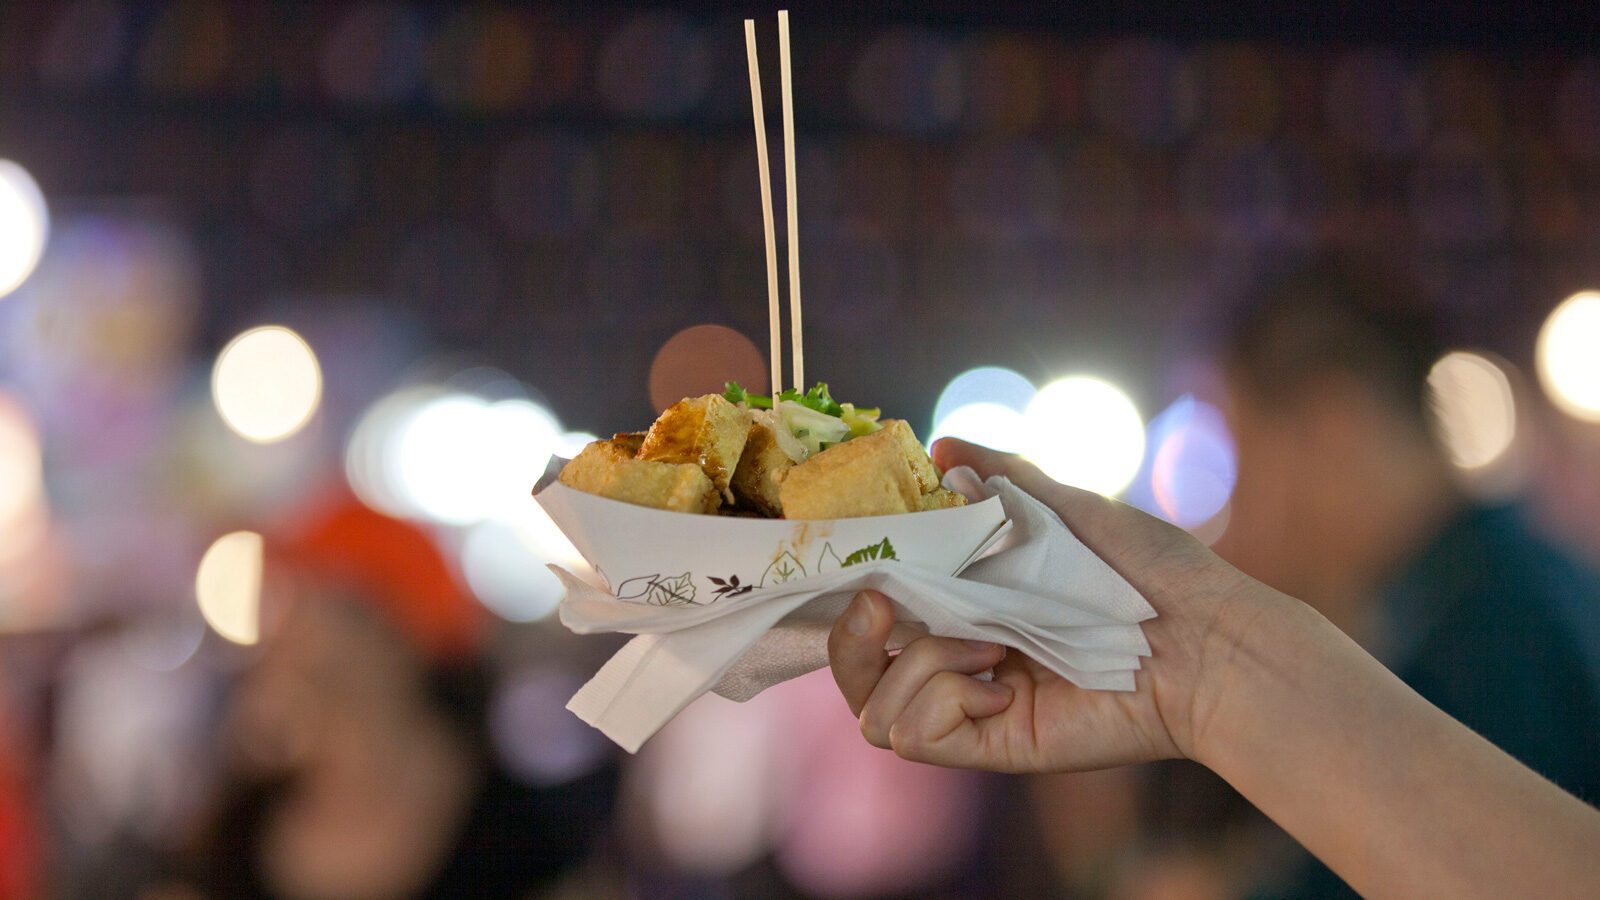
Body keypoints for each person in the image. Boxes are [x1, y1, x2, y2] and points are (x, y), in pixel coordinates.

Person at [828, 438, 1600, 899]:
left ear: (1323, 426)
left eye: (1235, 446)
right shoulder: (1488, 580)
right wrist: (1190, 664)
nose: (1229, 507)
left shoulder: (1489, 615)